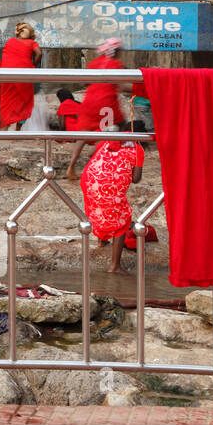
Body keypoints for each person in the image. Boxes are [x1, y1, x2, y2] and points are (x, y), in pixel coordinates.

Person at [79, 132, 145, 273]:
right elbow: (136, 178)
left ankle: (102, 240)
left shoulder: (109, 140)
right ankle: (115, 266)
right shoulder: (138, 149)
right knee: (122, 219)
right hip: (111, 188)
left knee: (98, 210)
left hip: (90, 180)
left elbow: (91, 153)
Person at [67, 37, 130, 179]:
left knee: (83, 135)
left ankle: (71, 166)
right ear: (116, 52)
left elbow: (85, 82)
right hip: (106, 103)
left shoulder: (94, 63)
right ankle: (96, 152)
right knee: (118, 126)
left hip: (89, 102)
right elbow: (122, 86)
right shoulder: (117, 65)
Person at [0, 22, 41, 129]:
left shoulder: (10, 41)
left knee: (7, 102)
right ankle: (18, 129)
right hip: (24, 75)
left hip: (8, 76)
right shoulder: (32, 43)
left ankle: (4, 129)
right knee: (24, 102)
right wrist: (33, 64)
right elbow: (39, 53)